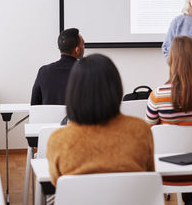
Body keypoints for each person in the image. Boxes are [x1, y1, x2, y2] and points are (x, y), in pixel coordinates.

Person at [46, 54, 155, 186]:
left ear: (74, 92)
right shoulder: (140, 130)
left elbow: (57, 184)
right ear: (116, 88)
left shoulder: (58, 140)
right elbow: (149, 177)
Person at [30, 28, 84, 105]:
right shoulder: (87, 72)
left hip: (48, 117)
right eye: (83, 44)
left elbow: (34, 106)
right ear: (77, 50)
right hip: (77, 117)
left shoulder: (43, 72)